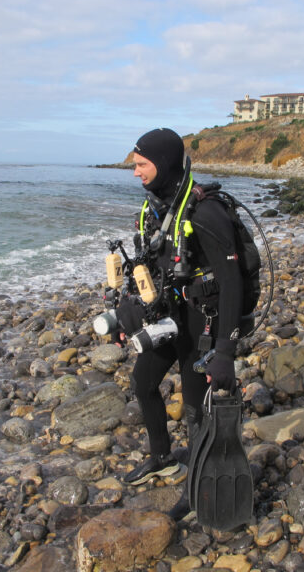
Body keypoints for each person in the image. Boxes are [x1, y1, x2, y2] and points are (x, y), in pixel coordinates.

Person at [118, 128, 245, 487]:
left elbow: (232, 282)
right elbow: (152, 270)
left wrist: (225, 351)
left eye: (141, 164)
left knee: (194, 410)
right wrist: (128, 314)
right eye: (135, 164)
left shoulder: (205, 212)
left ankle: (199, 489)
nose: (135, 172)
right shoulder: (155, 209)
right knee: (143, 383)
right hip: (170, 320)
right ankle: (161, 458)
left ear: (164, 163)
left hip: (201, 326)